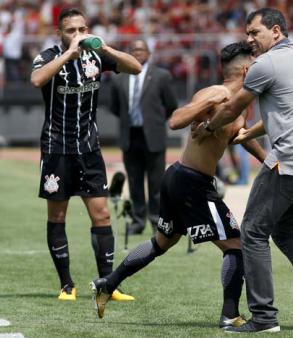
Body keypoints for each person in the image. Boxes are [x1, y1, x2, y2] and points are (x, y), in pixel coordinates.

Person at [91, 42, 267, 328]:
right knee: (237, 244)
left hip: (181, 178)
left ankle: (108, 283)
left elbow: (239, 136)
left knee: (162, 242)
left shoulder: (240, 106)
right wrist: (206, 108)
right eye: (258, 65)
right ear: (247, 70)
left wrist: (269, 160)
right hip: (192, 182)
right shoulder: (218, 93)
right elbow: (174, 120)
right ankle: (229, 315)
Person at [193, 8, 293, 333]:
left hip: (291, 159)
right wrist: (249, 134)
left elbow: (233, 107)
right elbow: (289, 111)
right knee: (286, 230)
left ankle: (263, 317)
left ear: (275, 31)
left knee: (253, 232)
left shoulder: (266, 64)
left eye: (254, 32)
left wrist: (206, 126)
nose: (248, 39)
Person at [30, 7, 141, 301]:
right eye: (71, 31)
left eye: (82, 29)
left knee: (102, 214)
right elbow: (37, 80)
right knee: (58, 215)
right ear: (60, 34)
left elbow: (136, 67)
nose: (78, 35)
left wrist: (105, 47)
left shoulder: (97, 55)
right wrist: (69, 54)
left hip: (89, 149)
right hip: (56, 149)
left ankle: (108, 284)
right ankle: (67, 285)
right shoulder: (48, 56)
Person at [109, 39, 178, 235]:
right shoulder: (119, 77)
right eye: (133, 50)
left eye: (141, 50)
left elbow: (171, 104)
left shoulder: (161, 76)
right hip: (130, 135)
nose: (137, 53)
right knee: (134, 181)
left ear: (148, 53)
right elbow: (114, 107)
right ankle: (138, 221)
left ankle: (157, 221)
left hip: (153, 136)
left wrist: (154, 122)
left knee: (156, 182)